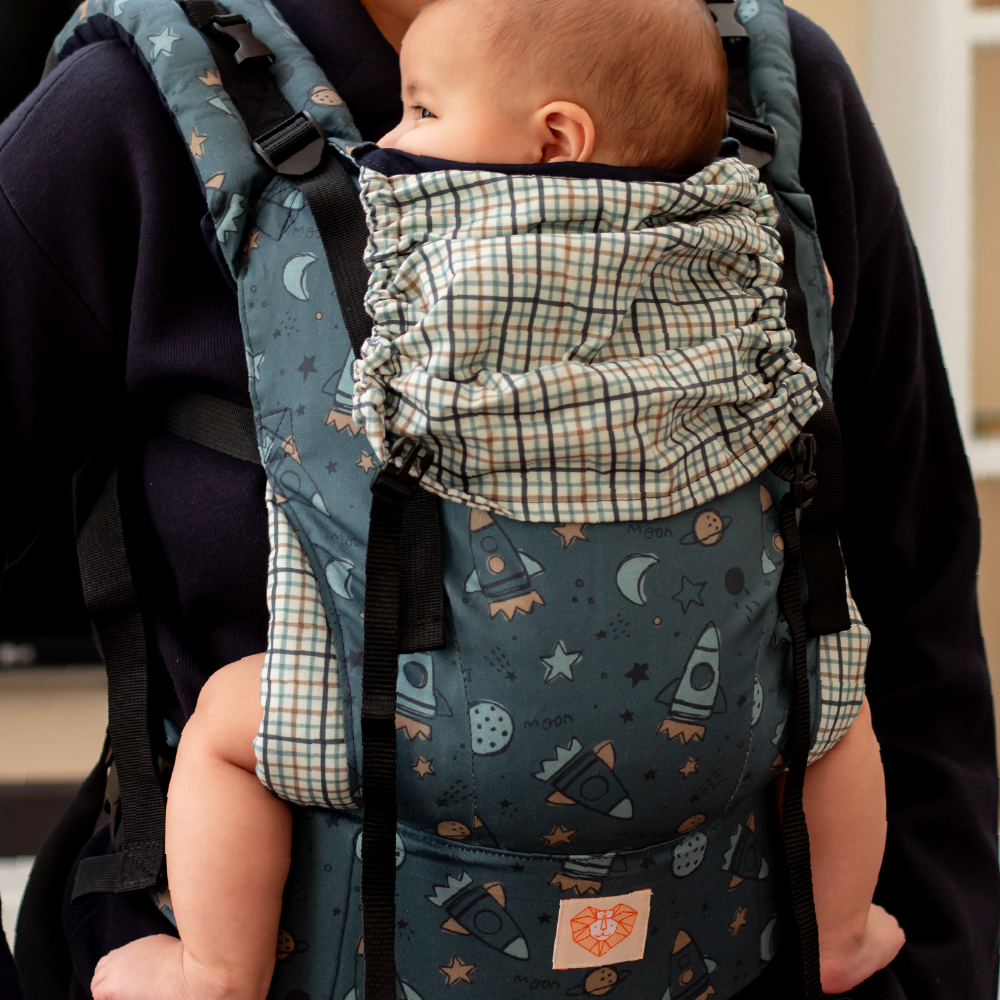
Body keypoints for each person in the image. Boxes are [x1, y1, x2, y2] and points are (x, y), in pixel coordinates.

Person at [1, 0, 996, 998]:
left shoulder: (773, 88)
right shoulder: (126, 114)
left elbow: (914, 595)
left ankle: (214, 967)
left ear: (561, 137)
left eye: (423, 114)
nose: (385, 151)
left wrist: (939, 970)